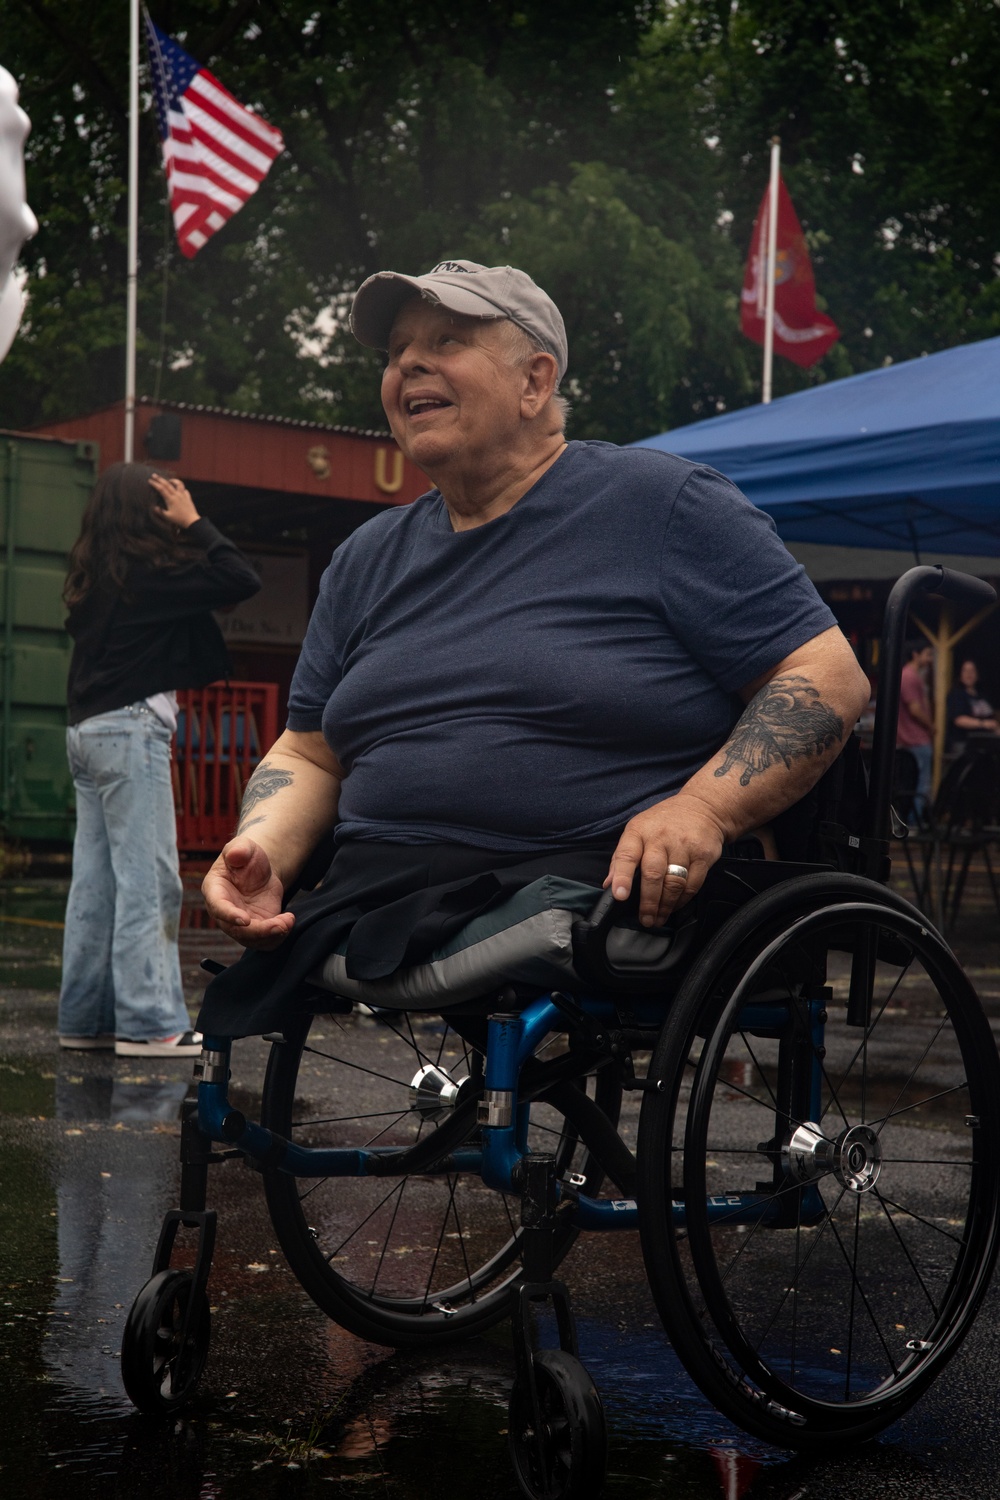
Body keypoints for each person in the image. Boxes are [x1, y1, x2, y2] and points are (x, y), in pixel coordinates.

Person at [199, 259, 869, 1037]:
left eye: (446, 340)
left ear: (535, 381)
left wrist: (704, 808)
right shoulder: (365, 557)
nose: (409, 363)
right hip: (374, 891)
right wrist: (261, 855)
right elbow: (311, 754)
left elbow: (829, 676)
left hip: (579, 880)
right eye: (396, 350)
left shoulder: (662, 505)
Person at [58, 463, 260, 1055]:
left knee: (95, 886)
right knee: (150, 882)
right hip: (129, 732)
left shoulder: (96, 576)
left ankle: (86, 1020)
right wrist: (194, 521)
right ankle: (150, 1024)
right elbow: (238, 576)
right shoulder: (153, 573)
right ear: (148, 512)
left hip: (85, 732)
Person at [896, 639, 935, 824]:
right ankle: (914, 823)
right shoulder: (910, 676)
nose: (930, 659)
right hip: (916, 739)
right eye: (928, 654)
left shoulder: (912, 676)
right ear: (915, 654)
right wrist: (931, 725)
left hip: (911, 740)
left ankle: (912, 821)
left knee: (914, 783)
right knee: (920, 784)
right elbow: (915, 709)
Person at [947, 659, 999, 750]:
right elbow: (959, 720)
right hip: (965, 743)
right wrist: (983, 724)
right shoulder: (956, 694)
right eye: (965, 671)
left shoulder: (982, 695)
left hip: (986, 743)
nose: (969, 674)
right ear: (960, 674)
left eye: (972, 671)